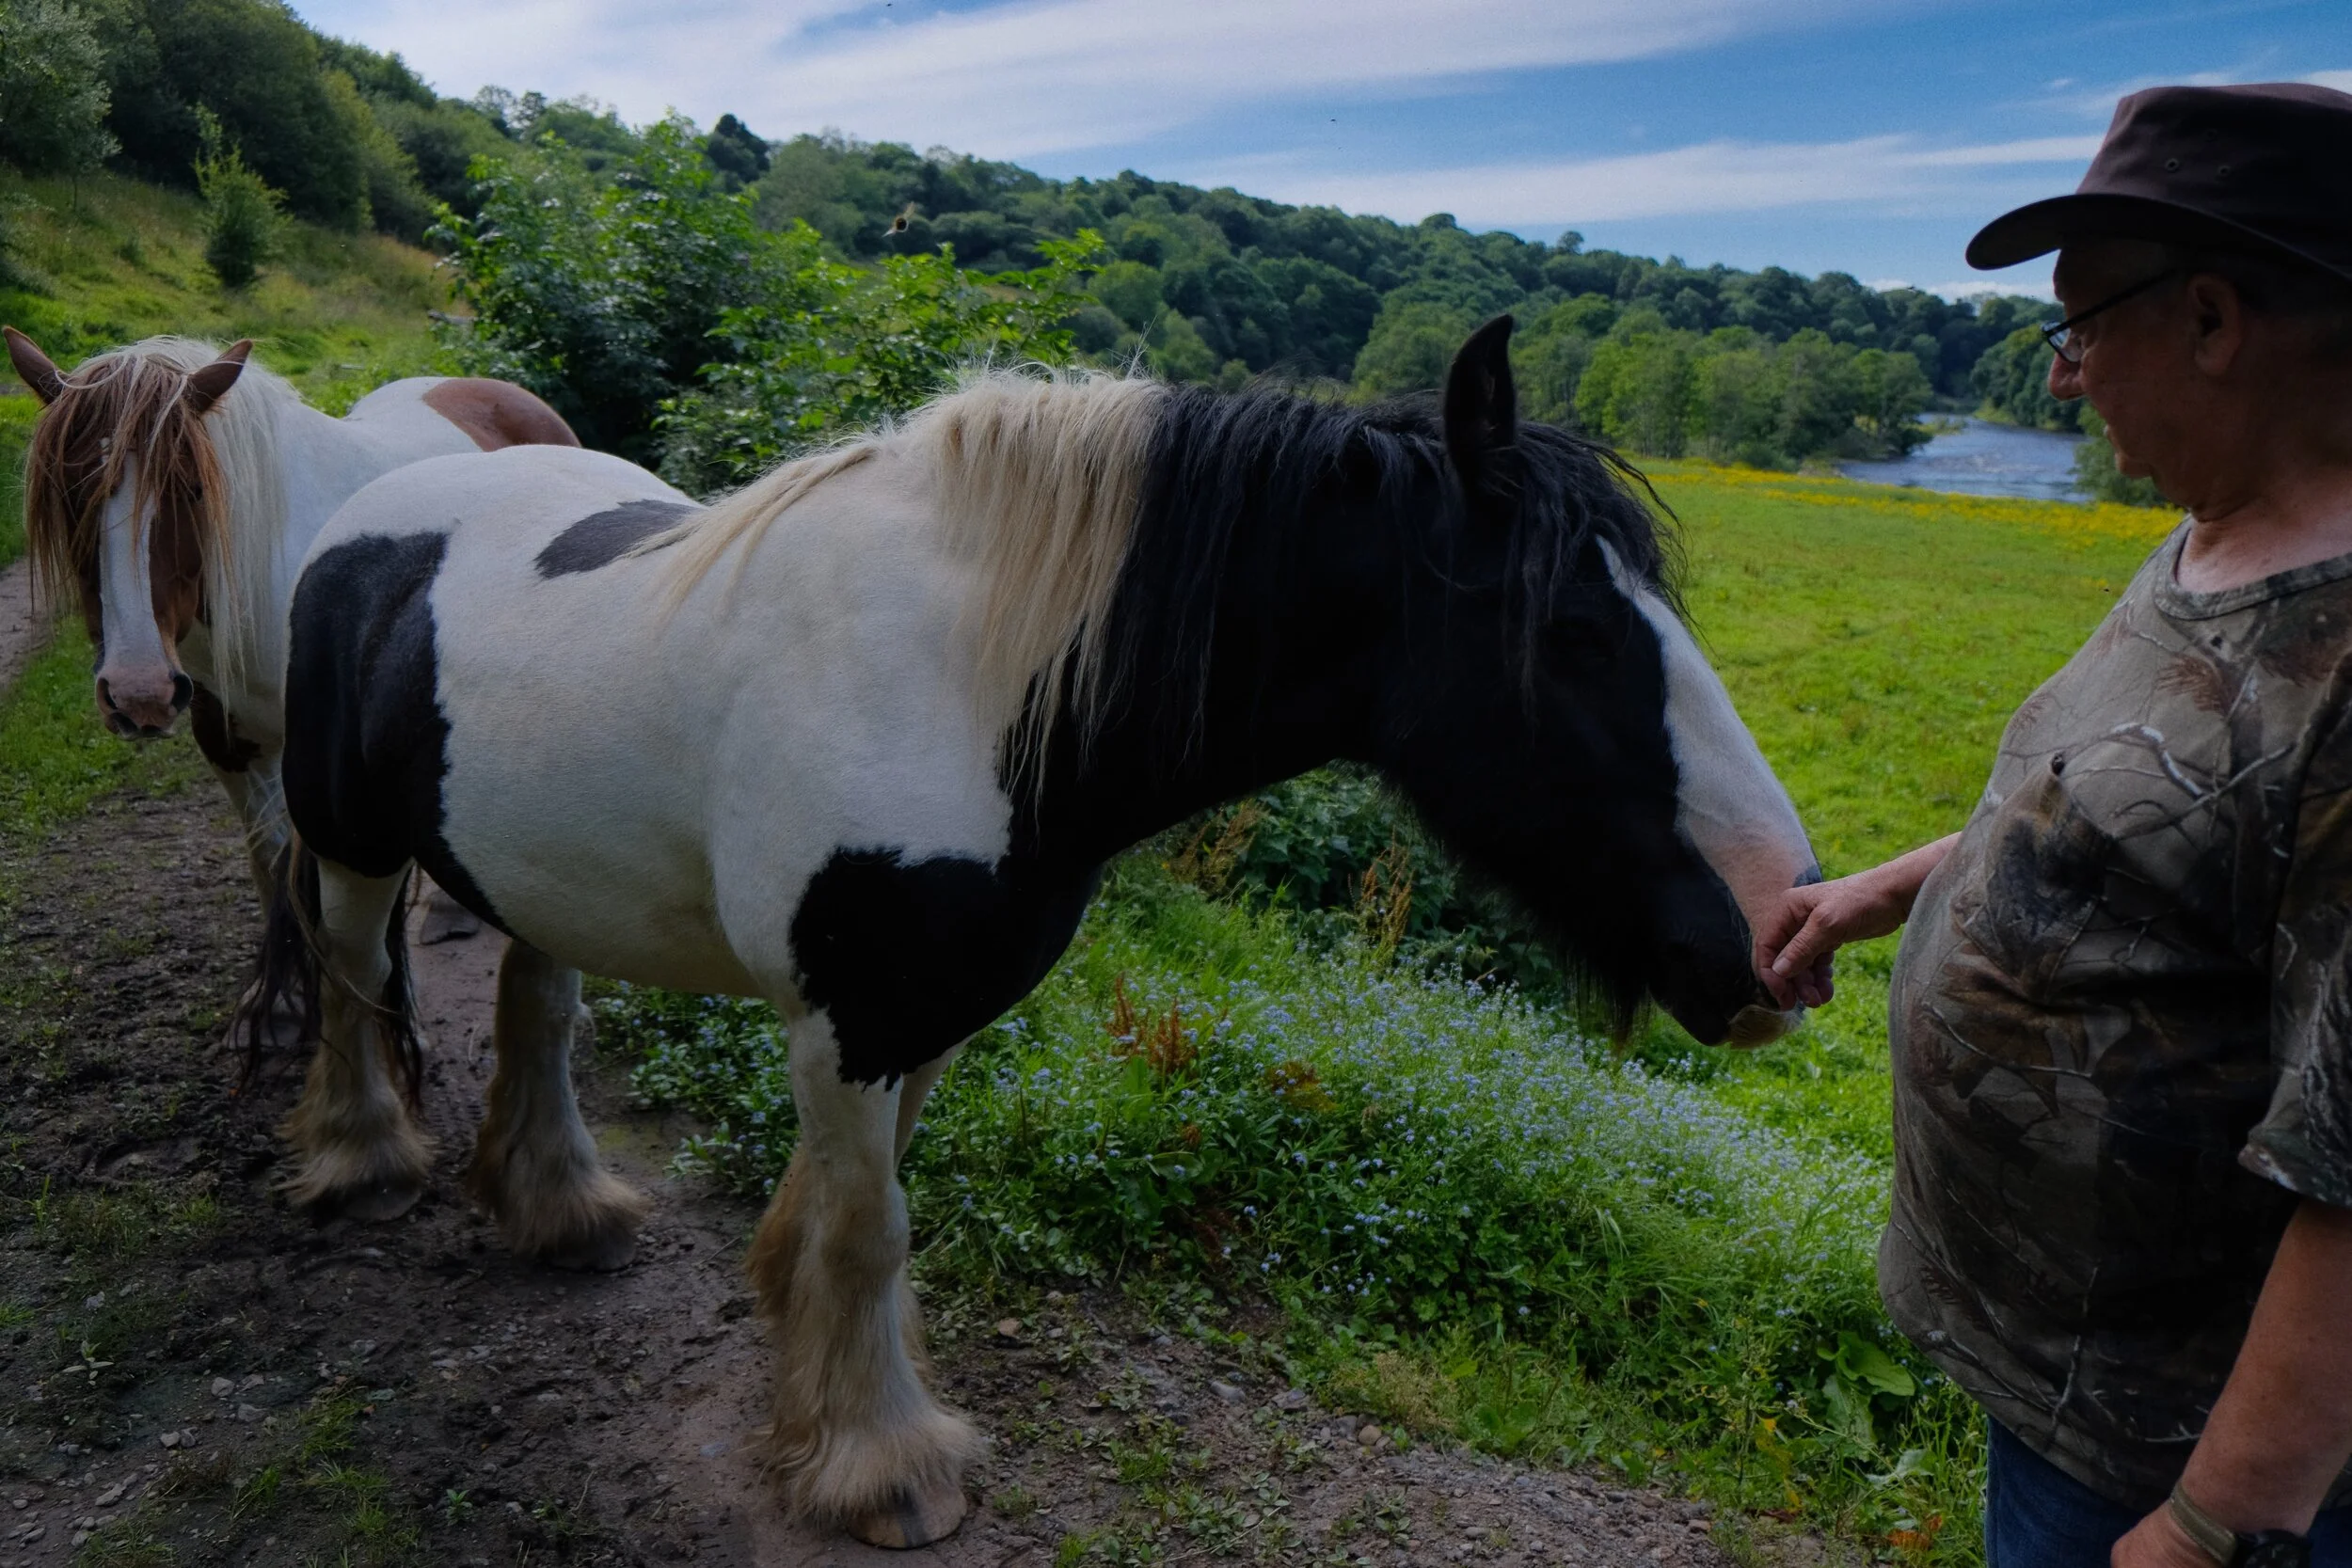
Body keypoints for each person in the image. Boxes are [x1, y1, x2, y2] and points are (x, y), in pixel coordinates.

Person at [1754, 83, 2352, 1568]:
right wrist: (1887, 890)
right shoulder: (2213, 541)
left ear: (2213, 318)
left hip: (2176, 1459)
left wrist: (2218, 1523)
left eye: (2080, 327)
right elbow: (2126, 825)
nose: (2067, 377)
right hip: (2075, 1402)